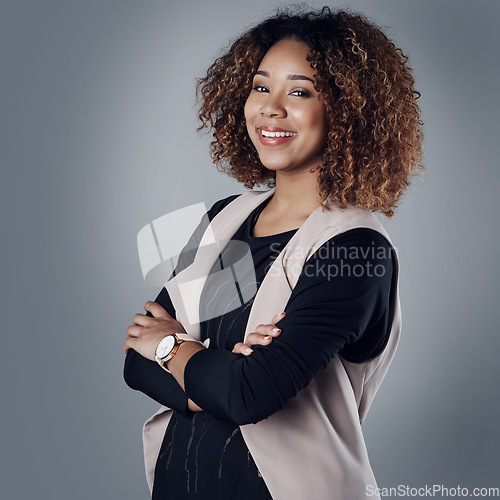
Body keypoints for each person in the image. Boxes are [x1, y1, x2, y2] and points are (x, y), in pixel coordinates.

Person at [123, 6, 423, 500]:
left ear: (347, 110)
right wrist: (218, 371)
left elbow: (248, 394)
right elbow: (135, 362)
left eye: (299, 92)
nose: (270, 108)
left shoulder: (355, 250)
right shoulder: (226, 217)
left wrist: (171, 349)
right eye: (261, 87)